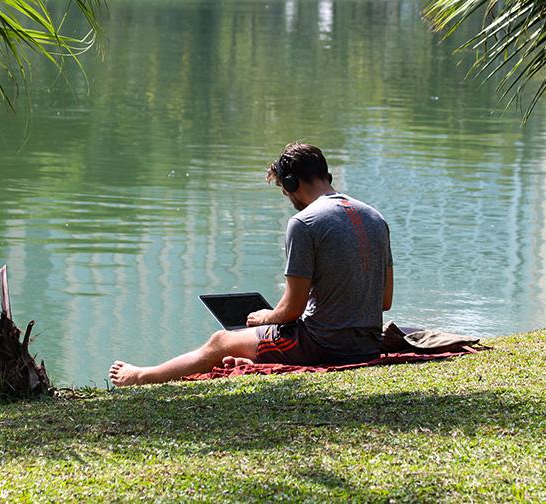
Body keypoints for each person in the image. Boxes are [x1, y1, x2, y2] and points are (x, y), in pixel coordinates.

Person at [109, 143, 393, 386]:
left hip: (324, 346)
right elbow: (384, 300)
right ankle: (255, 355)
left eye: (284, 190)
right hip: (367, 345)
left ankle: (142, 376)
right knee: (250, 338)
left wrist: (266, 317)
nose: (288, 198)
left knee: (220, 341)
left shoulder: (304, 223)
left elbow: (292, 310)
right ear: (326, 176)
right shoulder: (375, 217)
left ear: (291, 183)